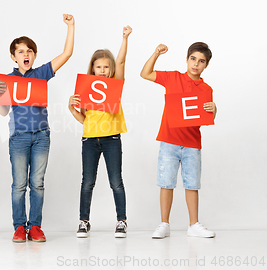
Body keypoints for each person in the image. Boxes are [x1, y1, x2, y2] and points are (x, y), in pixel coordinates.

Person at [0, 14, 75, 243]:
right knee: (19, 184)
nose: (25, 54)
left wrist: (71, 26)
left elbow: (66, 54)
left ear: (34, 55)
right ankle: (20, 227)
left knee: (37, 183)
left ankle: (35, 226)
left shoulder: (40, 74)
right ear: (13, 56)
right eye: (20, 51)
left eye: (29, 51)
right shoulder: (8, 80)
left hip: (41, 135)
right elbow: (3, 112)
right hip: (18, 136)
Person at [140, 42, 217, 239]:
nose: (196, 64)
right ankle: (164, 223)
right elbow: (145, 73)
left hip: (192, 144)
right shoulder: (173, 77)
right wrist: (156, 53)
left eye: (201, 61)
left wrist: (214, 110)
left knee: (192, 184)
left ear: (206, 65)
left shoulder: (206, 89)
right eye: (193, 59)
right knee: (166, 183)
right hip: (169, 140)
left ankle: (194, 224)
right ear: (187, 59)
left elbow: (204, 118)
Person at [68, 26, 132, 239]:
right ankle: (83, 221)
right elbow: (84, 119)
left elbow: (121, 61)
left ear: (111, 69)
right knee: (87, 181)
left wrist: (124, 39)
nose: (102, 70)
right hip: (90, 140)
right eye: (98, 67)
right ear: (92, 69)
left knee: (116, 181)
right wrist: (72, 109)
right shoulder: (87, 89)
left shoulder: (115, 85)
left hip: (111, 139)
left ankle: (121, 221)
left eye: (106, 67)